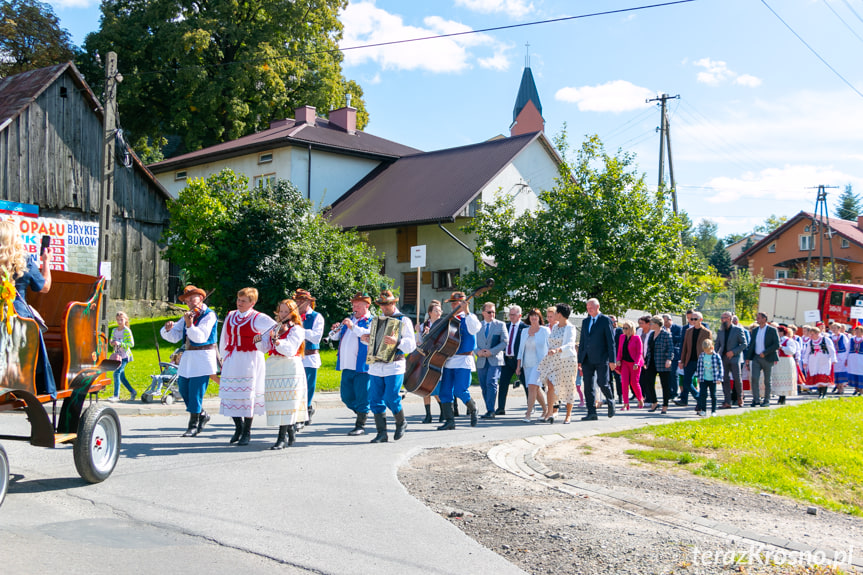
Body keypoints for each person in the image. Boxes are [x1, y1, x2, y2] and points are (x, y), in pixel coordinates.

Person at [0, 220, 55, 397]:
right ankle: (37, 383)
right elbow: (44, 287)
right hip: (17, 316)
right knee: (32, 330)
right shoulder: (24, 260)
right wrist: (46, 262)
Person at [219, 287, 277, 445]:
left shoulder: (258, 317)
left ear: (252, 302)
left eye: (243, 301)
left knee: (247, 396)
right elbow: (224, 337)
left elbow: (276, 328)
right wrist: (222, 357)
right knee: (231, 395)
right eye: (238, 300)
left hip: (251, 359)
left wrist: (264, 340)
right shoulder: (231, 315)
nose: (239, 303)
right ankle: (238, 426)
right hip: (233, 357)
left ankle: (247, 431)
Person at [161, 285, 219, 437]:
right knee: (183, 389)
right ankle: (202, 414)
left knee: (195, 393)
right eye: (186, 301)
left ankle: (192, 424)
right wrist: (168, 329)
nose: (190, 303)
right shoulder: (188, 315)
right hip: (188, 358)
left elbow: (200, 337)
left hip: (203, 357)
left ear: (200, 298)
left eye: (192, 299)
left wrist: (190, 325)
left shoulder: (209, 315)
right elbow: (174, 336)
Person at [361, 290, 415, 442]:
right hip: (376, 365)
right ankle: (382, 433)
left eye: (386, 305)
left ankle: (401, 421)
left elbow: (411, 345)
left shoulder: (403, 320)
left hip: (395, 364)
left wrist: (397, 342)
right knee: (375, 399)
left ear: (393, 303)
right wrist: (366, 338)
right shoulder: (376, 320)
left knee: (391, 397)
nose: (384, 308)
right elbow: (372, 341)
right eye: (381, 305)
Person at [258, 299, 307, 449]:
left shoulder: (297, 329)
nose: (283, 314)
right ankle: (290, 429)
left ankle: (281, 438)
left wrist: (279, 342)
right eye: (281, 311)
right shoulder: (275, 327)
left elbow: (291, 350)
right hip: (274, 367)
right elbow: (265, 348)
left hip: (290, 367)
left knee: (288, 403)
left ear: (293, 313)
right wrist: (259, 341)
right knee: (277, 404)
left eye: (287, 311)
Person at [328, 293, 374, 435]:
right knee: (346, 397)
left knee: (362, 396)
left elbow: (368, 334)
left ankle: (360, 424)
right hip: (347, 365)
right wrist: (335, 328)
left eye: (358, 305)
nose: (355, 308)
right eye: (353, 305)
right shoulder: (349, 321)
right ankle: (363, 410)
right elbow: (334, 337)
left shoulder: (371, 320)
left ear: (367, 306)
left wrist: (352, 326)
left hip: (362, 366)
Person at [437, 291, 481, 430]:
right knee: (445, 391)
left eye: (457, 303)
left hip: (463, 359)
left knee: (460, 390)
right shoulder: (448, 320)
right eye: (453, 303)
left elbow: (475, 329)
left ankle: (473, 409)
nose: (455, 305)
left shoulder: (469, 318)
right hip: (448, 359)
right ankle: (450, 421)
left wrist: (467, 311)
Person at [537, 303, 578, 423]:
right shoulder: (555, 327)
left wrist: (557, 349)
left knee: (568, 386)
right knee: (550, 384)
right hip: (554, 359)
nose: (553, 315)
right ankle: (550, 412)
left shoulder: (570, 327)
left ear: (559, 314)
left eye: (555, 313)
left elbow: (570, 344)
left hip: (567, 360)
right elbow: (551, 341)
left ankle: (568, 414)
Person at [578, 298, 616, 421]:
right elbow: (583, 341)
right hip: (587, 358)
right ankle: (591, 412)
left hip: (602, 357)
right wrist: (580, 360)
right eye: (587, 307)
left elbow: (611, 341)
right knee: (588, 386)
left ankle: (610, 401)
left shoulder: (605, 320)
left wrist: (612, 359)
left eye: (592, 307)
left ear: (598, 306)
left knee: (602, 382)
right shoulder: (585, 321)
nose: (589, 309)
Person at [294, 289, 324, 425]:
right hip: (295, 357)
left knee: (307, 387)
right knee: (296, 387)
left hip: (309, 357)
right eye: (297, 301)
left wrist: (299, 331)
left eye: (301, 301)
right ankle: (305, 410)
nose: (298, 303)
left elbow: (316, 336)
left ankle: (304, 412)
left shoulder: (317, 317)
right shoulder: (292, 316)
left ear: (309, 302)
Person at [475, 302, 508, 419]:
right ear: (483, 313)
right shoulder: (477, 326)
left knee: (491, 382)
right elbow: (472, 341)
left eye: (493, 312)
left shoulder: (500, 325)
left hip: (495, 359)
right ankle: (489, 408)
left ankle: (491, 410)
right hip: (481, 360)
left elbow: (505, 341)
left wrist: (492, 351)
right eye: (489, 312)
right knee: (484, 385)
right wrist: (477, 351)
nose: (492, 314)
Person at [516, 308, 550, 422]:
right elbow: (521, 350)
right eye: (531, 316)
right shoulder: (525, 331)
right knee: (536, 389)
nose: (533, 318)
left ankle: (528, 413)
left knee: (531, 387)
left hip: (540, 364)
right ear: (529, 318)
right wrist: (518, 366)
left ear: (539, 318)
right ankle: (546, 410)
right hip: (527, 364)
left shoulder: (545, 331)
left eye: (536, 315)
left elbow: (550, 347)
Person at [415, 300, 444, 423]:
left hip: (437, 358)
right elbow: (418, 343)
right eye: (436, 311)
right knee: (424, 388)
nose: (439, 313)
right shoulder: (423, 326)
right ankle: (428, 414)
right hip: (425, 359)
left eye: (440, 310)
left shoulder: (443, 325)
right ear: (430, 313)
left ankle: (443, 411)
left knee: (435, 387)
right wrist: (418, 332)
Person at [744, 312, 780, 407]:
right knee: (754, 378)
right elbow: (751, 345)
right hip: (756, 358)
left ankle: (766, 400)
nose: (757, 319)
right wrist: (748, 358)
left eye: (759, 318)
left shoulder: (772, 330)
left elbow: (776, 344)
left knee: (767, 380)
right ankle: (756, 399)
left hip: (768, 358)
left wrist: (765, 352)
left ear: (764, 319)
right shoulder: (755, 330)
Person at [677, 311, 710, 408]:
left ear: (700, 320)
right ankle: (699, 398)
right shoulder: (688, 331)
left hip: (701, 360)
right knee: (686, 382)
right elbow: (685, 347)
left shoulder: (706, 332)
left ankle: (700, 402)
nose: (693, 321)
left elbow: (709, 347)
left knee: (702, 382)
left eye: (695, 319)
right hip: (689, 360)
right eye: (691, 319)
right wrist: (682, 360)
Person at [498, 305, 527, 415]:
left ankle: (530, 406)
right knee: (503, 383)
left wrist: (520, 364)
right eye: (510, 314)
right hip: (507, 360)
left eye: (513, 315)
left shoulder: (524, 328)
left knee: (526, 384)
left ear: (520, 315)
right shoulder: (505, 326)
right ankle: (501, 408)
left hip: (519, 360)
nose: (511, 317)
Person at [715, 311, 747, 409]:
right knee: (725, 379)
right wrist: (715, 356)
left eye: (723, 318)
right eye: (721, 318)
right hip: (723, 358)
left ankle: (739, 398)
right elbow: (717, 345)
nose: (722, 320)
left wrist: (733, 352)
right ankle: (727, 401)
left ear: (729, 318)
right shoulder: (720, 331)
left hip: (734, 358)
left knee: (737, 378)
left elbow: (744, 344)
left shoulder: (738, 330)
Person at [644, 316, 674, 414]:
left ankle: (665, 405)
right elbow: (649, 348)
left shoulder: (666, 334)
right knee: (648, 382)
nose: (650, 325)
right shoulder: (651, 334)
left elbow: (670, 348)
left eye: (651, 323)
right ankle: (654, 402)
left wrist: (669, 359)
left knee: (665, 385)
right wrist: (645, 360)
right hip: (651, 362)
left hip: (662, 362)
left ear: (657, 324)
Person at [615, 320, 643, 411]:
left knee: (634, 382)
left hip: (634, 363)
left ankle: (640, 399)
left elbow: (639, 352)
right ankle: (625, 403)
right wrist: (618, 360)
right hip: (625, 363)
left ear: (631, 329)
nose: (624, 330)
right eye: (623, 328)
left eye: (626, 328)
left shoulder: (637, 338)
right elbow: (619, 350)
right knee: (624, 383)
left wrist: (636, 363)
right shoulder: (622, 337)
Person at [109, 311, 136, 402]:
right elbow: (112, 341)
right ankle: (132, 391)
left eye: (121, 320)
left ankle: (116, 396)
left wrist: (120, 343)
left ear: (125, 320)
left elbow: (131, 344)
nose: (119, 322)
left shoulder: (127, 330)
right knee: (121, 376)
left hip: (124, 356)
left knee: (116, 373)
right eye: (118, 320)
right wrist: (112, 342)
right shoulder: (114, 330)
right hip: (116, 356)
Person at [804, 326, 836, 398]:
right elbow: (807, 352)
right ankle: (820, 393)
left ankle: (823, 393)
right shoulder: (811, 342)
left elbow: (832, 350)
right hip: (814, 361)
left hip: (824, 360)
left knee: (824, 377)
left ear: (817, 333)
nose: (811, 336)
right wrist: (805, 361)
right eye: (810, 334)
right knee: (817, 377)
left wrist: (833, 359)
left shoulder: (826, 340)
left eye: (812, 334)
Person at [695, 339, 723, 417]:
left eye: (708, 350)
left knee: (713, 395)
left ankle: (713, 411)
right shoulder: (702, 356)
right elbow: (699, 367)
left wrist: (719, 378)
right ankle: (703, 410)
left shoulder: (716, 356)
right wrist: (698, 377)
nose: (707, 352)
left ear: (712, 348)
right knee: (703, 395)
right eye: (705, 350)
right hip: (704, 378)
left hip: (713, 379)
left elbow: (720, 367)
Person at [773, 325, 798, 405]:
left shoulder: (788, 340)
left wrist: (782, 347)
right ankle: (780, 395)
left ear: (783, 332)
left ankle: (783, 397)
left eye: (779, 331)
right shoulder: (776, 340)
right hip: (778, 361)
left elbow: (792, 351)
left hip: (786, 361)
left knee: (785, 378)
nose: (778, 333)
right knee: (778, 378)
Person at [830, 323, 850, 396]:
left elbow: (847, 346)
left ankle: (841, 388)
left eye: (835, 328)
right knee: (836, 371)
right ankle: (838, 387)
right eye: (833, 328)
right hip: (834, 356)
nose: (834, 329)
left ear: (839, 329)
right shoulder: (831, 337)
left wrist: (846, 357)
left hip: (842, 355)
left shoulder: (843, 336)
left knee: (841, 371)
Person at [846, 326, 863, 396]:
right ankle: (856, 389)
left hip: (861, 358)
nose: (857, 332)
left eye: (859, 331)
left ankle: (861, 390)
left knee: (861, 374)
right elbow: (848, 349)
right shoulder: (851, 339)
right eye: (856, 331)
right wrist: (846, 359)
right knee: (854, 373)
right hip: (852, 358)